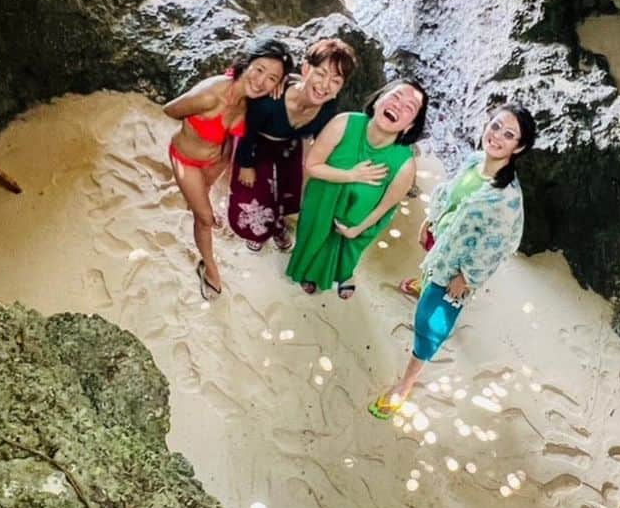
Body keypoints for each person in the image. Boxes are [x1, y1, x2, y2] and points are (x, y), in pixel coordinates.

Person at [368, 102, 537, 419]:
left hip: (460, 269)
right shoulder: (475, 161)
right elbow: (451, 194)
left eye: (509, 135)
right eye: (496, 126)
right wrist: (431, 220)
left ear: (520, 147)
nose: (497, 136)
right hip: (443, 241)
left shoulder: (506, 199)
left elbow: (496, 247)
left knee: (429, 323)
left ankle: (406, 384)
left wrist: (467, 279)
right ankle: (423, 283)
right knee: (429, 276)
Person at [164, 41, 292, 299]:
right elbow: (170, 110)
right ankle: (210, 269)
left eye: (271, 78)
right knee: (204, 218)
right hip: (186, 160)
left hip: (216, 163)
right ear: (247, 63)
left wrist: (284, 83)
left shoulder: (255, 103)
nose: (260, 81)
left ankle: (201, 200)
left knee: (204, 200)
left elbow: (302, 95)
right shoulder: (211, 94)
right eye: (259, 70)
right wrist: (194, 129)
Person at [286, 79, 428, 298]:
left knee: (348, 252)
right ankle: (310, 272)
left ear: (410, 126)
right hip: (322, 202)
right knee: (314, 239)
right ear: (379, 99)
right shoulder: (343, 123)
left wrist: (358, 228)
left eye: (409, 107)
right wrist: (351, 175)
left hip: (361, 219)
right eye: (395, 97)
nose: (398, 105)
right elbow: (312, 166)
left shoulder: (405, 165)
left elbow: (385, 206)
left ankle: (345, 274)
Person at [228, 38, 358, 253]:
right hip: (257, 146)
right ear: (306, 68)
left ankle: (277, 224)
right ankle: (261, 233)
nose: (325, 85)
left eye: (336, 80)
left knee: (287, 193)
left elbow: (323, 137)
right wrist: (245, 165)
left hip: (289, 149)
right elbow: (248, 133)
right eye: (320, 73)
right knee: (256, 195)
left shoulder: (328, 106)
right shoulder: (270, 100)